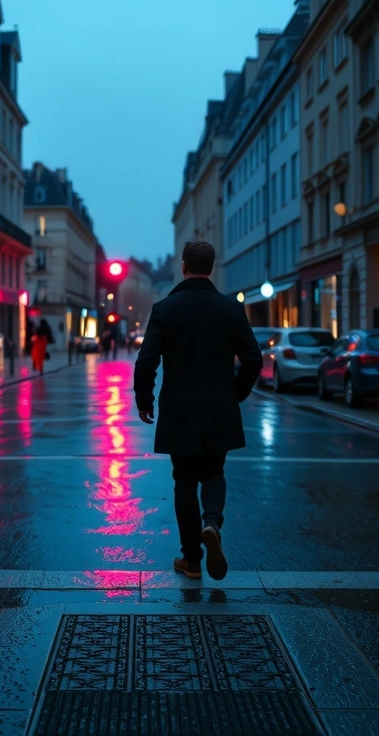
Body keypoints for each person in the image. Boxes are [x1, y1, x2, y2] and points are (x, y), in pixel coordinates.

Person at [133, 241, 262, 581]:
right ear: (212, 266)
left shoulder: (165, 309)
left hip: (179, 408)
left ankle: (191, 559)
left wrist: (144, 400)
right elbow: (253, 360)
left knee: (185, 481)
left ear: (184, 266)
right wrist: (235, 393)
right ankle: (212, 522)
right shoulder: (231, 309)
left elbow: (146, 361)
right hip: (220, 406)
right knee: (215, 471)